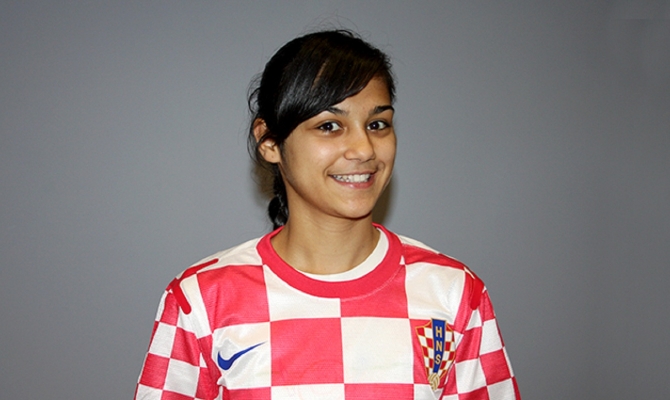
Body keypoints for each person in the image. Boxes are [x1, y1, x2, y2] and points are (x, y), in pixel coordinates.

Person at [135, 29, 520, 400]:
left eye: (377, 124)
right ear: (269, 141)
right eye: (330, 126)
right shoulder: (201, 299)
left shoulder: (454, 293)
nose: (364, 149)